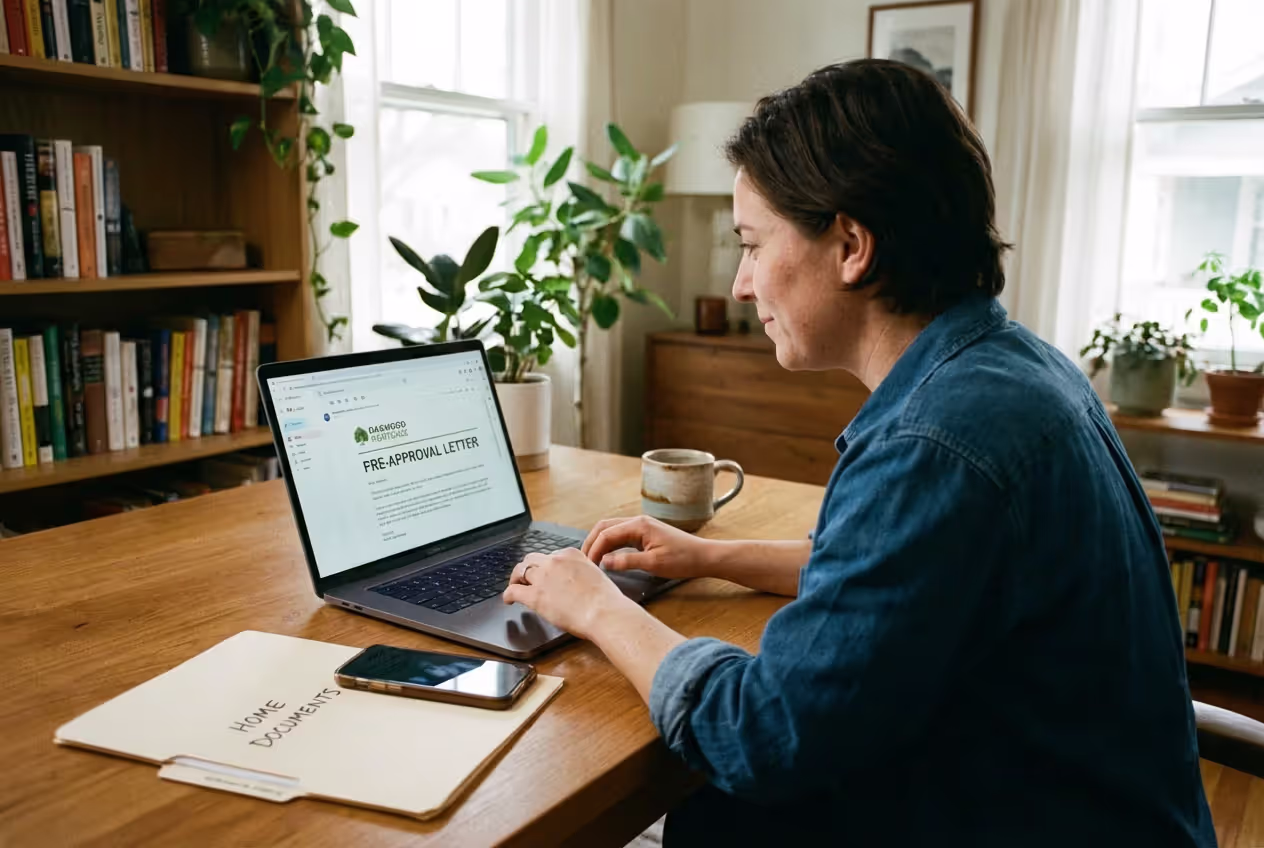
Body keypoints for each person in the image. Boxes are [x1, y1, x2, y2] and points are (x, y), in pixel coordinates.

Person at [502, 59, 1215, 846]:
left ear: (850, 245)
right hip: (1069, 800)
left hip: (1026, 817)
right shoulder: (1012, 366)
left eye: (752, 244)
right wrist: (710, 555)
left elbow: (762, 735)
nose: (741, 285)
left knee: (707, 799)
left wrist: (596, 606)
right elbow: (903, 579)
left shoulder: (935, 441)